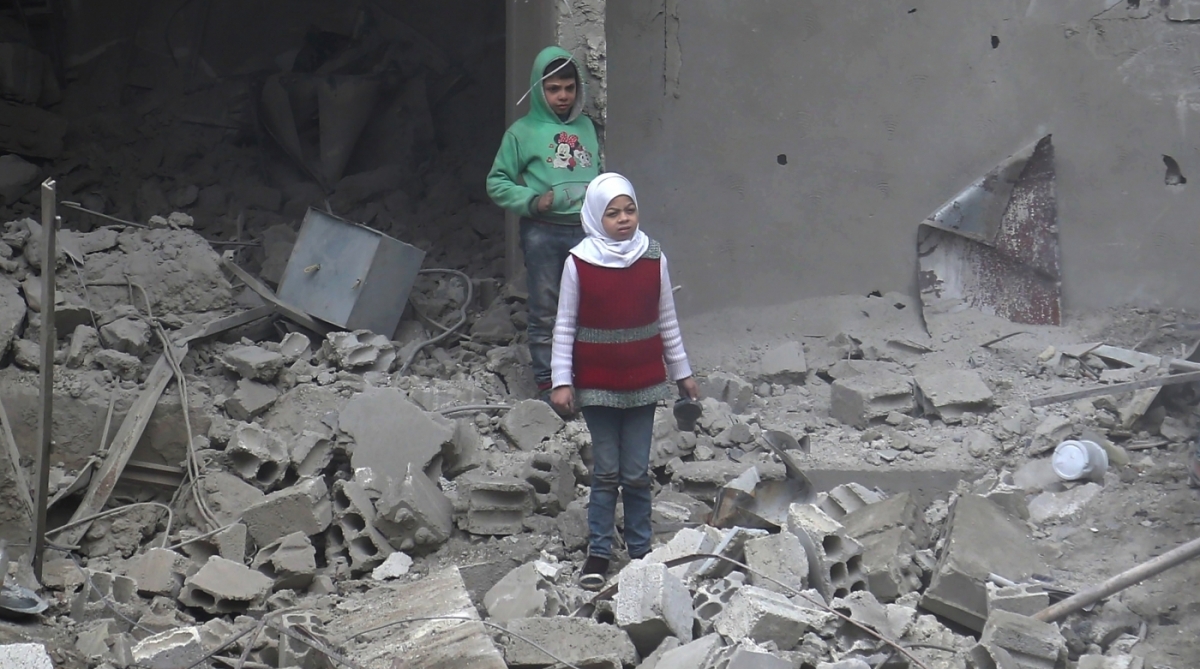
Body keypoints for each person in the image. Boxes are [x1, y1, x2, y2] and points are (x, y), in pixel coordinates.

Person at [549, 172, 700, 590]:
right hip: (597, 384)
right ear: (597, 217)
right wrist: (562, 381)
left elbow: (666, 321)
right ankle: (598, 553)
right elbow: (564, 325)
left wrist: (682, 374)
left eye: (629, 210)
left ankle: (640, 550)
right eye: (612, 213)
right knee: (606, 472)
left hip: (644, 382)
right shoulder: (578, 262)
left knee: (636, 471)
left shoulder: (653, 258)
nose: (623, 219)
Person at [486, 46, 601, 403]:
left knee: (589, 306)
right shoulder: (522, 132)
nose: (563, 96)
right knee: (546, 307)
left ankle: (586, 379)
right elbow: (497, 182)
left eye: (569, 88)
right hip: (543, 231)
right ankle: (548, 382)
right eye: (554, 89)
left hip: (586, 231)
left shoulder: (586, 127)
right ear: (539, 89)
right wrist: (533, 201)